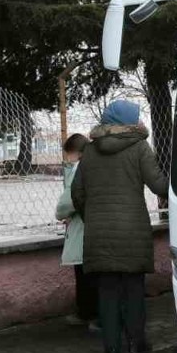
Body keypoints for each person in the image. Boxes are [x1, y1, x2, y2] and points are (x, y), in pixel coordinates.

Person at [72, 100, 169, 353]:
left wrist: (91, 218)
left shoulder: (90, 151)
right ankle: (137, 346)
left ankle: (112, 351)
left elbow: (77, 193)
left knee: (107, 292)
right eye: (136, 118)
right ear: (128, 121)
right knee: (134, 290)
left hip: (99, 234)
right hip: (132, 231)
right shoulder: (139, 147)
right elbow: (159, 185)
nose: (139, 122)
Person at [57, 133, 97, 329]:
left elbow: (69, 199)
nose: (67, 158)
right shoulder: (96, 164)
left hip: (81, 226)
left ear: (75, 152)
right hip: (95, 225)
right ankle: (91, 314)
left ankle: (87, 313)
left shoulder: (78, 169)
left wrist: (60, 213)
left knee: (83, 273)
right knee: (91, 274)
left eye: (68, 154)